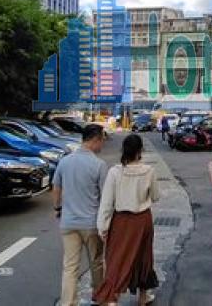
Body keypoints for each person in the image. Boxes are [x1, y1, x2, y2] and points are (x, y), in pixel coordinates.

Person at [94, 134, 160, 306]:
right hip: (143, 220)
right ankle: (144, 296)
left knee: (117, 257)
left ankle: (112, 298)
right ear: (140, 151)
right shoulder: (149, 171)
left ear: (123, 150)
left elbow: (107, 202)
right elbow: (156, 196)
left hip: (121, 221)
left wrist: (102, 227)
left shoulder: (115, 172)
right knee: (144, 258)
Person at [52, 124, 108, 306]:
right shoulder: (99, 165)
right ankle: (100, 298)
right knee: (96, 263)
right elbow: (105, 197)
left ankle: (68, 302)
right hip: (91, 224)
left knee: (70, 266)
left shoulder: (65, 161)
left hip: (68, 223)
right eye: (102, 140)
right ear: (95, 139)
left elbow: (56, 188)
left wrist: (58, 208)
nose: (103, 144)